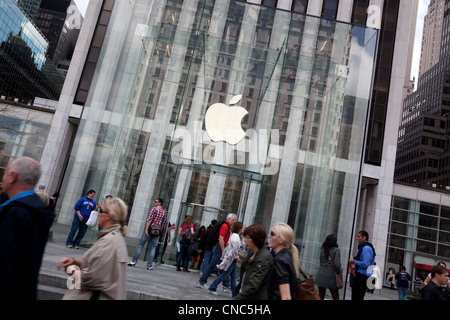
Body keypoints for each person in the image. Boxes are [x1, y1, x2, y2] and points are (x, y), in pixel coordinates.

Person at [0, 157, 54, 299]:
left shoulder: (15, 213)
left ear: (13, 177)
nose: (3, 178)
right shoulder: (38, 209)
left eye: (5, 173)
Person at [57, 197, 128, 300]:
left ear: (108, 216)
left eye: (100, 210)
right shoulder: (114, 238)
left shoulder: (109, 241)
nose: (98, 214)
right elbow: (99, 266)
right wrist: (75, 261)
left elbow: (94, 278)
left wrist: (72, 270)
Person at [196, 214, 237, 289]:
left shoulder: (228, 227)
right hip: (220, 248)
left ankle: (225, 284)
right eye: (233, 219)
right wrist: (223, 250)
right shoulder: (225, 226)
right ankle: (201, 281)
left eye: (235, 220)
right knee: (213, 265)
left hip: (220, 248)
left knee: (222, 266)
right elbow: (221, 238)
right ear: (228, 219)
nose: (234, 221)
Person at [234, 224, 273, 300]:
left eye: (248, 238)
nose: (245, 240)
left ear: (256, 239)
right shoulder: (251, 256)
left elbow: (253, 284)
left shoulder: (263, 257)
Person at [128, 198, 166, 270]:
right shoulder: (163, 212)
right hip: (156, 231)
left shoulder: (154, 209)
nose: (154, 203)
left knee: (140, 244)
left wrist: (146, 229)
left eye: (156, 202)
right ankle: (149, 265)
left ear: (160, 203)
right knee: (153, 247)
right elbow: (163, 224)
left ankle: (133, 261)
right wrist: (159, 231)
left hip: (150, 229)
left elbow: (149, 220)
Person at [208, 222, 243, 296]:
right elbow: (234, 249)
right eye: (242, 228)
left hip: (231, 258)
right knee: (225, 275)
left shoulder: (233, 235)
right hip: (231, 259)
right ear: (239, 229)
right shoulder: (236, 237)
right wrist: (237, 257)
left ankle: (234, 292)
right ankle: (212, 287)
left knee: (233, 276)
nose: (242, 229)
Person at [267, 223, 299, 300]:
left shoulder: (281, 260)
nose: (269, 236)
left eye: (272, 234)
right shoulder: (285, 257)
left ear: (281, 240)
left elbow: (286, 297)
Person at [348, 230, 376, 300]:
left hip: (361, 277)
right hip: (362, 277)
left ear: (364, 238)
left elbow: (366, 264)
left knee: (356, 297)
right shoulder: (367, 247)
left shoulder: (366, 248)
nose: (357, 238)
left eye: (359, 236)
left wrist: (354, 261)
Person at [315, 234, 341, 300]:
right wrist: (337, 272)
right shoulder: (336, 250)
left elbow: (321, 261)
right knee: (335, 296)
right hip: (331, 276)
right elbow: (337, 264)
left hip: (321, 274)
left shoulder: (323, 249)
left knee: (321, 296)